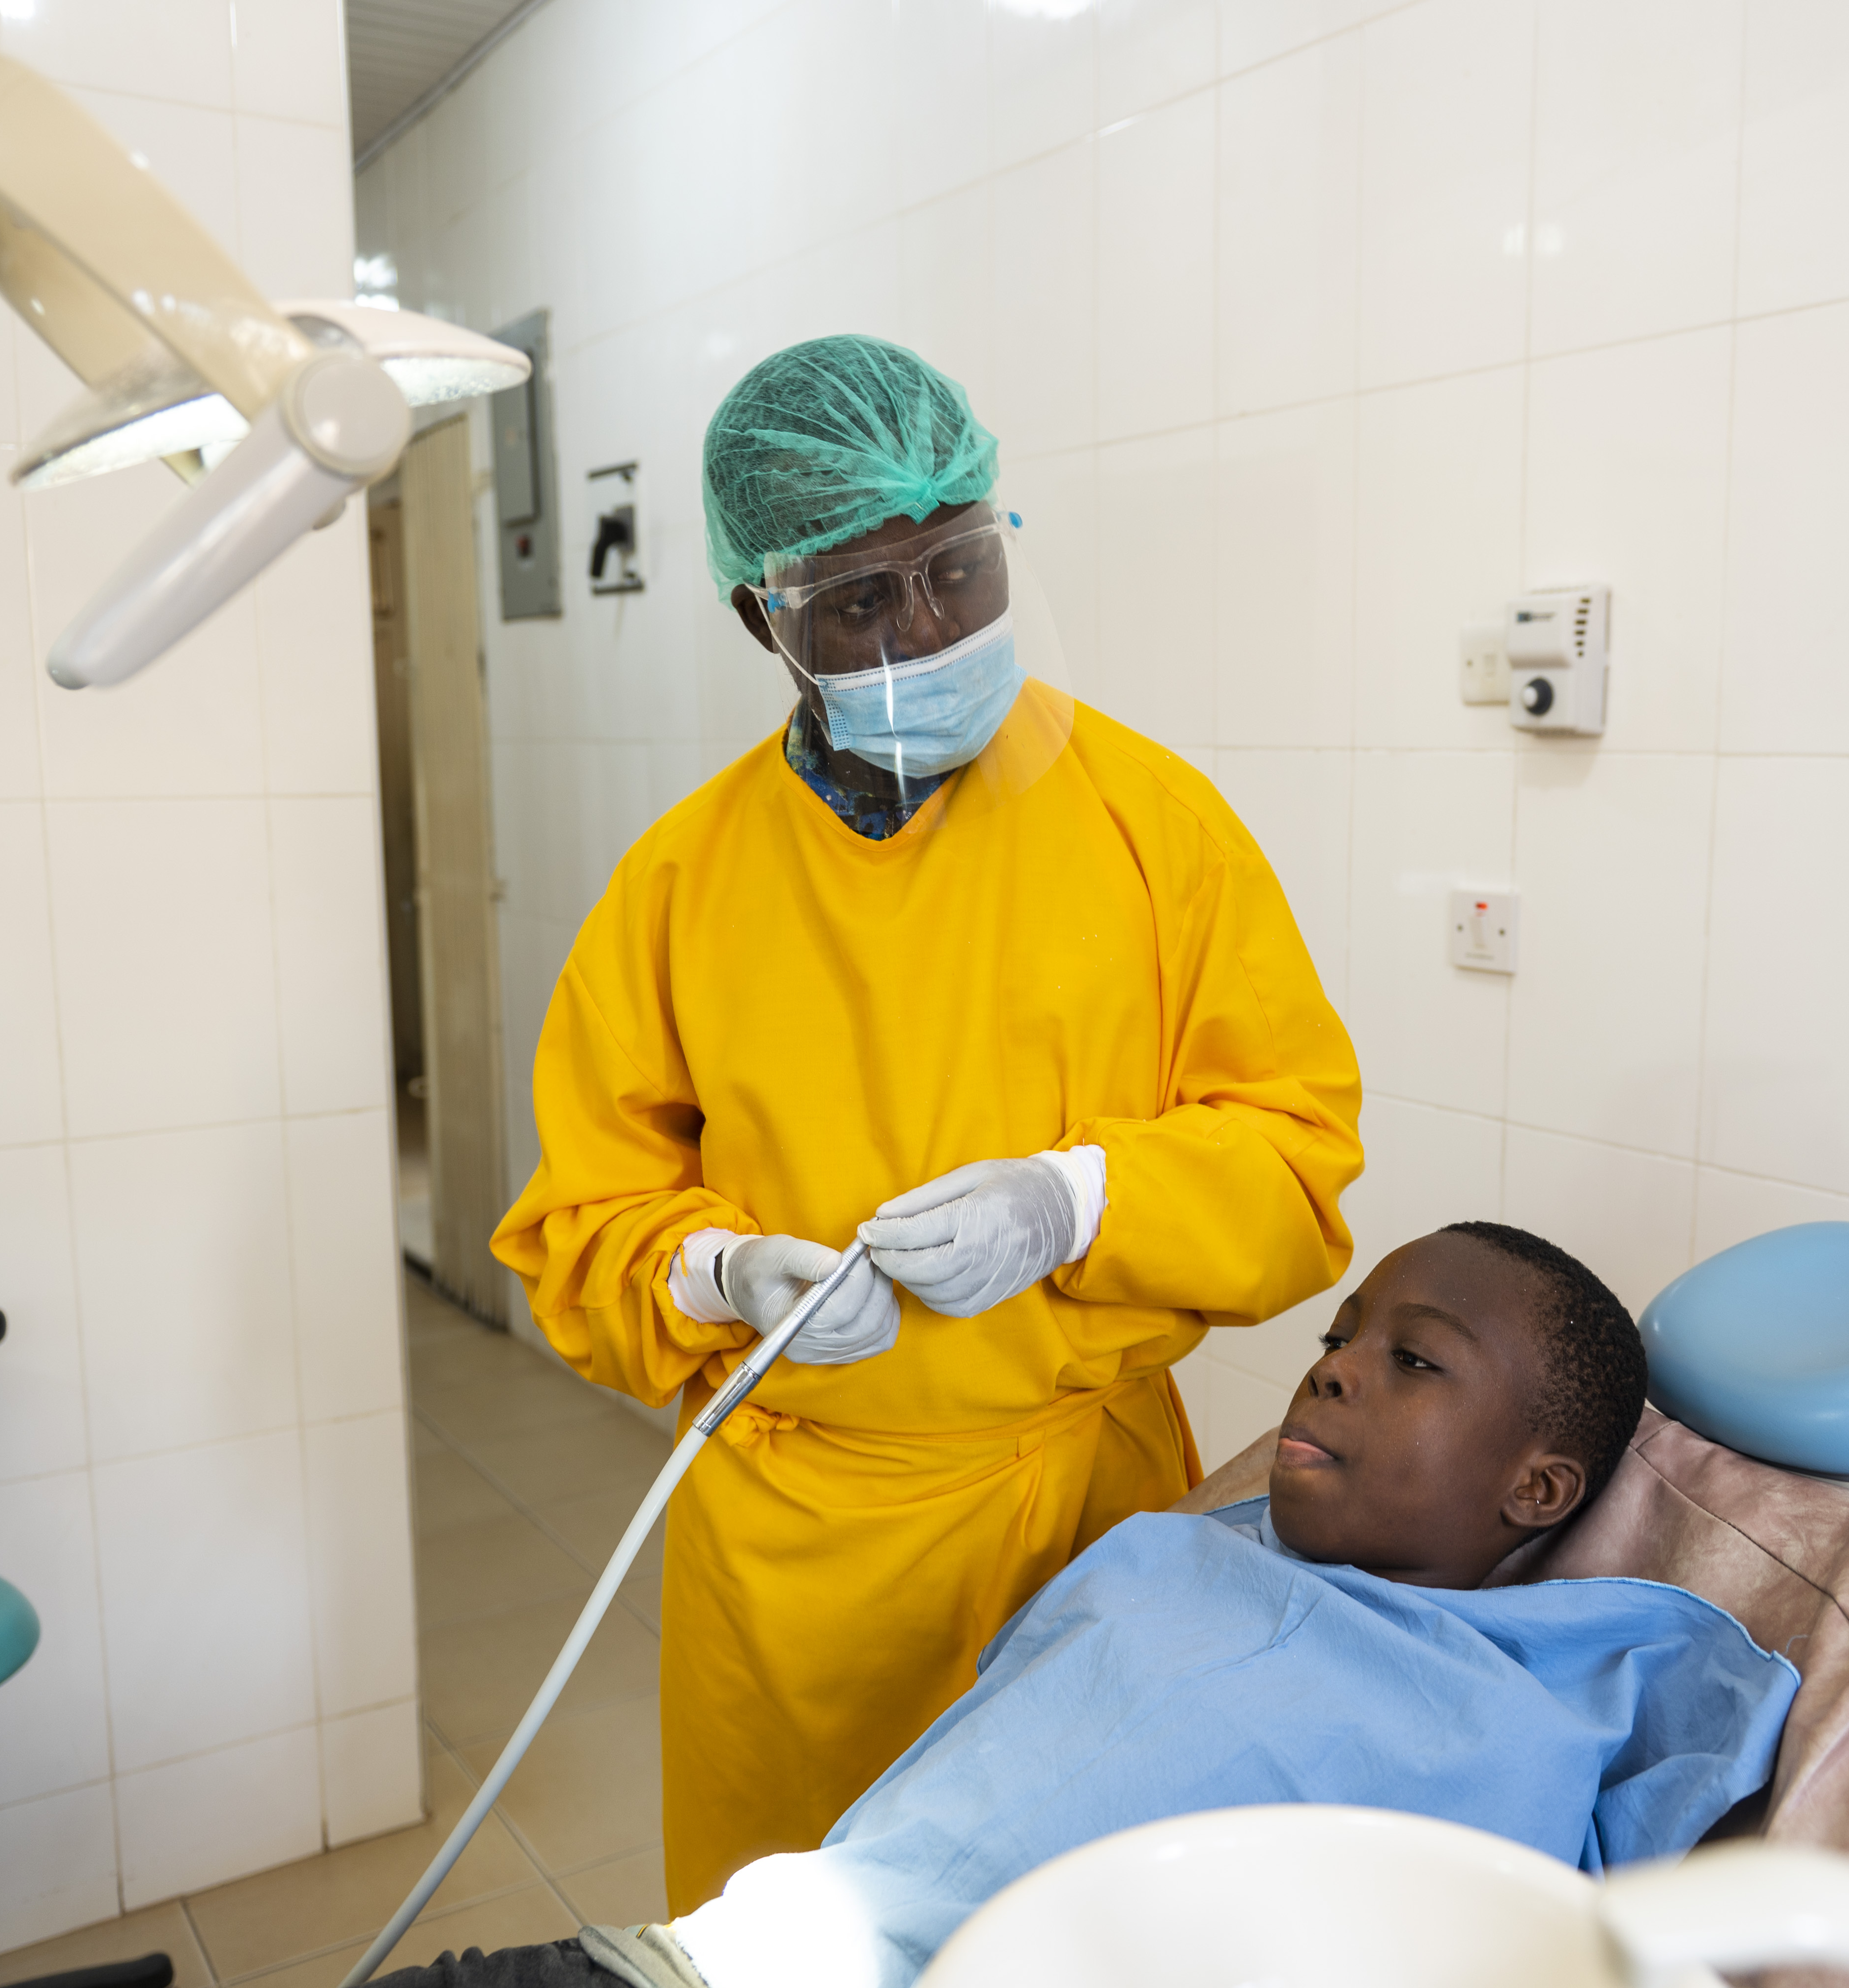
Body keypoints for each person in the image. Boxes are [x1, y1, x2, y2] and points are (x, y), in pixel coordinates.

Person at [495, 334, 1364, 1909]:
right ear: (765, 618)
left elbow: (1296, 1158)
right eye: (858, 603)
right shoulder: (682, 886)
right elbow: (582, 1228)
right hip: (797, 1561)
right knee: (810, 1920)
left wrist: (1078, 1201)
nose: (926, 629)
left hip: (1084, 1535)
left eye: (957, 570)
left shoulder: (1150, 826)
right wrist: (717, 1277)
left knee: (1069, 1923)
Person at [380, 1223, 1799, 1988]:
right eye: (1336, 1339)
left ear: (1541, 1491)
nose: (1334, 1371)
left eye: (1414, 1363)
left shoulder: (1510, 1729)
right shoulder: (1169, 1555)